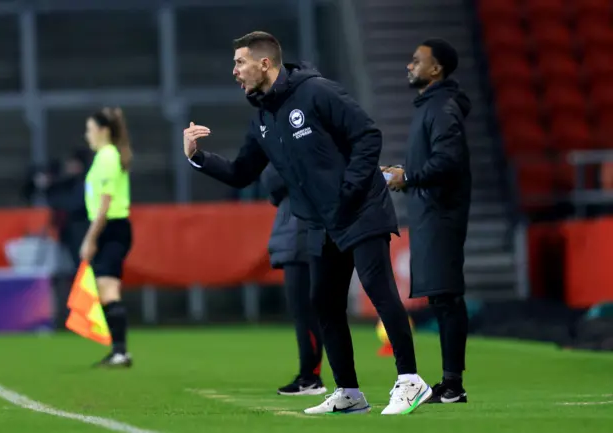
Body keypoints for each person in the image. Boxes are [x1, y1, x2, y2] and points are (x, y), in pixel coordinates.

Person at [184, 31, 431, 415]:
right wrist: (198, 157)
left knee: (380, 292)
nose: (234, 71)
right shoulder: (263, 117)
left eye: (239, 62)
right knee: (325, 304)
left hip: (361, 208)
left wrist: (349, 190)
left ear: (264, 63)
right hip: (320, 221)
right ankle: (349, 392)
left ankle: (410, 380)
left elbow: (367, 135)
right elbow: (240, 172)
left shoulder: (317, 92)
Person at [382, 38, 472, 403]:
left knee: (447, 298)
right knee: (441, 298)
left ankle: (452, 385)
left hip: (441, 214)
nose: (409, 65)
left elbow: (448, 162)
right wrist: (406, 172)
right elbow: (435, 162)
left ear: (436, 69)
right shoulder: (431, 106)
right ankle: (450, 383)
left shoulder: (442, 108)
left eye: (416, 61)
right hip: (430, 212)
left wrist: (409, 176)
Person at [260, 162, 326, 396]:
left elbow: (272, 178)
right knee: (305, 310)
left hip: (302, 232)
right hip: (298, 231)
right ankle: (309, 375)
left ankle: (311, 377)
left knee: (306, 309)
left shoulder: (293, 142)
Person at [80, 107, 134, 368]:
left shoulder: (108, 157)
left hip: (111, 228)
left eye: (90, 129)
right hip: (108, 228)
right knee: (105, 290)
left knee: (109, 289)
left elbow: (105, 204)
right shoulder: (104, 156)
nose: (86, 135)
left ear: (102, 131)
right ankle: (118, 351)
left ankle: (120, 352)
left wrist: (90, 239)